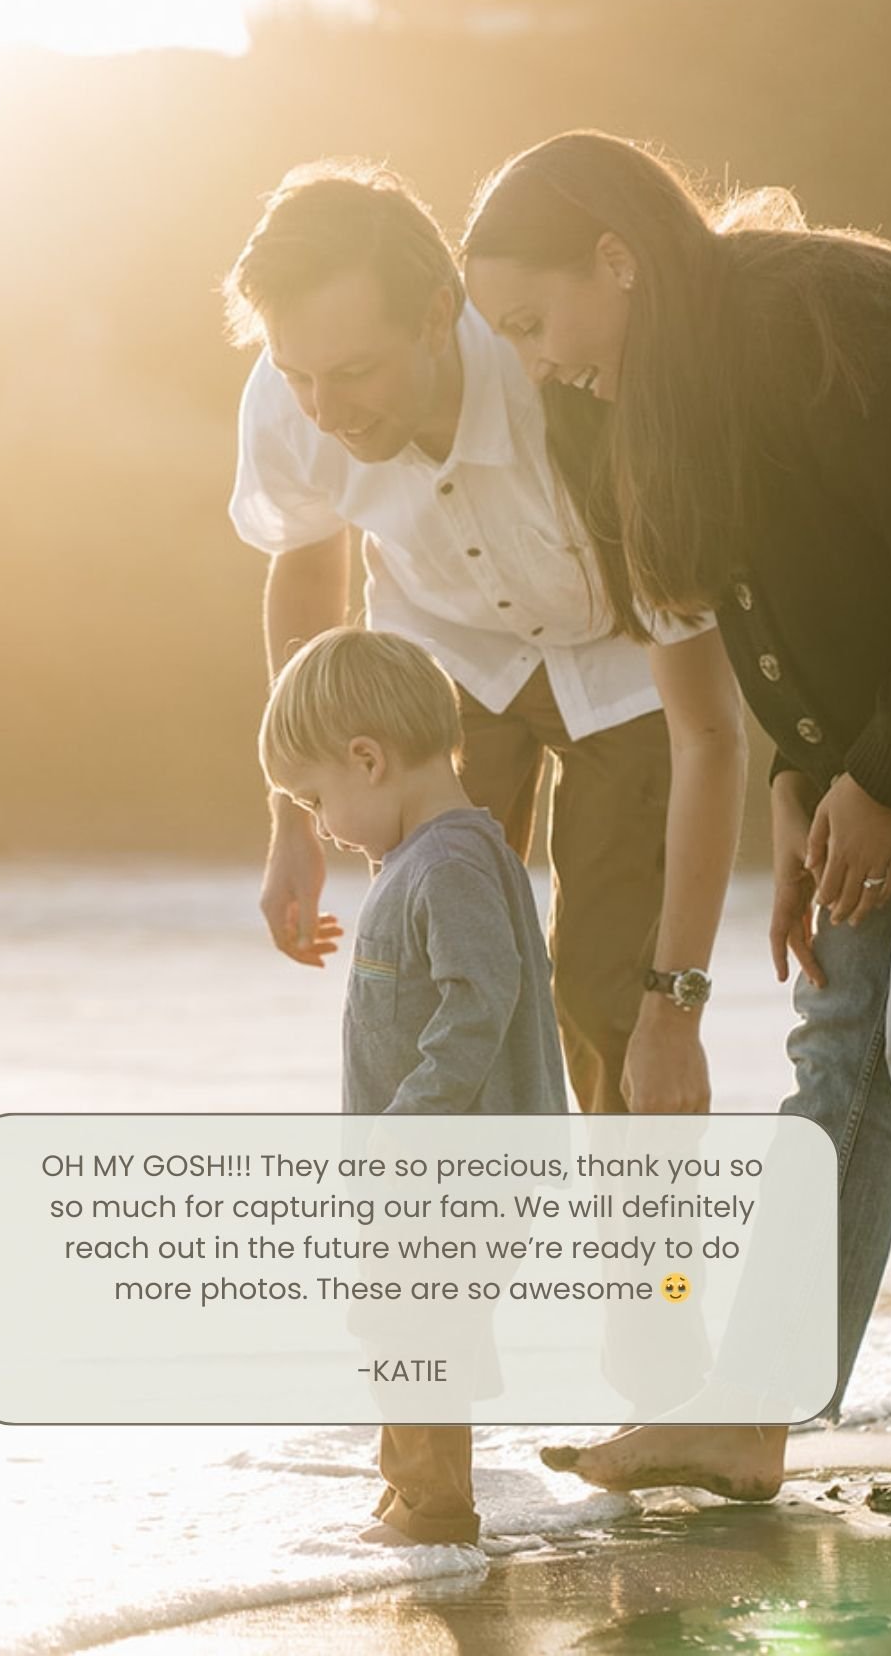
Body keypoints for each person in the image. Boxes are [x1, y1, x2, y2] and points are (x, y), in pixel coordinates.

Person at [462, 128, 891, 1501]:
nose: (543, 359)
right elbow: (797, 604)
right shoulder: (670, 390)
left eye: (539, 320)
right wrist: (808, 778)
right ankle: (750, 1413)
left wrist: (887, 778)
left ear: (617, 259)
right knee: (841, 1037)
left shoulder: (805, 321)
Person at [226, 160, 747, 1119]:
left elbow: (710, 729)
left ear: (436, 315)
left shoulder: (568, 373)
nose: (326, 413)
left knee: (604, 996)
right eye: (298, 374)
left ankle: (641, 1272)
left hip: (624, 662)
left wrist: (679, 1003)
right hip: (443, 661)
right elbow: (308, 565)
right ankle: (445, 1259)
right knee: (418, 980)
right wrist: (292, 814)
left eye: (352, 373)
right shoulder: (288, 402)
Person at [257, 624, 569, 1547]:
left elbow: (482, 1003)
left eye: (316, 798)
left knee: (408, 1317)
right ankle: (414, 1488)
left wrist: (411, 1127)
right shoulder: (424, 861)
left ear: (369, 758)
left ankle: (434, 1507)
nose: (317, 824)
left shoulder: (449, 863)